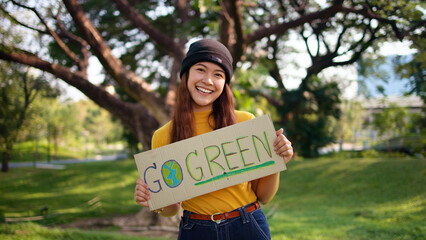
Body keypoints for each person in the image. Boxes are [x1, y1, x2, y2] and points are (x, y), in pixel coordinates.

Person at [134, 38, 293, 240]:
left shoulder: (245, 122)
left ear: (224, 83)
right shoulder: (163, 136)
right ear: (186, 75)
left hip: (247, 225)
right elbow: (172, 209)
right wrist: (152, 199)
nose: (208, 80)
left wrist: (276, 160)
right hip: (196, 231)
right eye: (200, 69)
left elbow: (265, 197)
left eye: (218, 74)